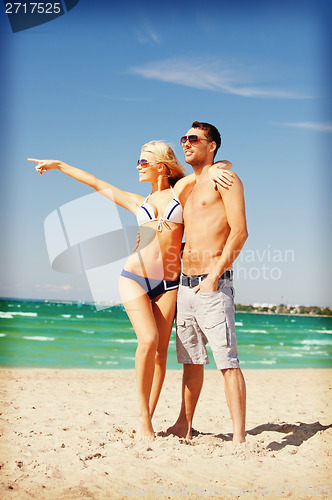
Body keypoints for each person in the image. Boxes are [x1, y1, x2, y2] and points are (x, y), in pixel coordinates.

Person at [28, 142, 233, 440]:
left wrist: (216, 169)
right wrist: (59, 165)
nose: (138, 166)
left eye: (143, 161)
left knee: (161, 354)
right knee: (148, 340)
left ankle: (147, 419)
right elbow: (97, 183)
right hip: (134, 278)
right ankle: (142, 418)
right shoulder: (138, 202)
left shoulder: (182, 191)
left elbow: (222, 164)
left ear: (161, 166)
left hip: (169, 283)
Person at [168, 122, 248, 444]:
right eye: (184, 138)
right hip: (185, 287)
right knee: (191, 362)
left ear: (211, 145)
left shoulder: (227, 180)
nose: (186, 143)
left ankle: (240, 438)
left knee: (227, 363)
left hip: (212, 285)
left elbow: (240, 232)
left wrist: (214, 276)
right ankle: (184, 426)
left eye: (194, 139)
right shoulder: (191, 187)